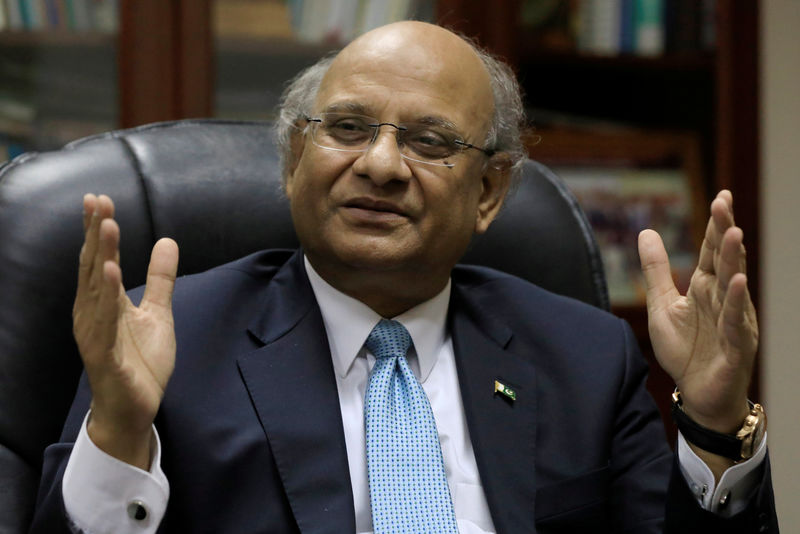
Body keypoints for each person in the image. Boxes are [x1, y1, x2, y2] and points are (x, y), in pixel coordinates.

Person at [31, 21, 776, 533]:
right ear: (295, 162)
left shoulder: (583, 355)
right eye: (348, 129)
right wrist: (122, 430)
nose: (381, 166)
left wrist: (712, 424)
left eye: (427, 140)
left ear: (489, 192)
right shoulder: (167, 343)